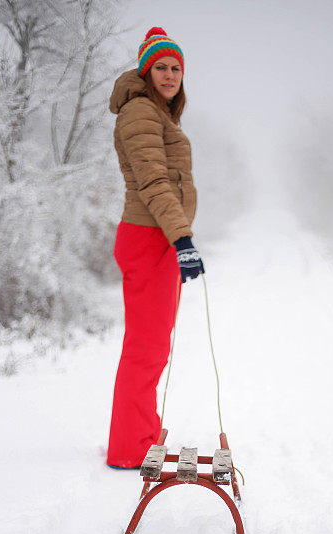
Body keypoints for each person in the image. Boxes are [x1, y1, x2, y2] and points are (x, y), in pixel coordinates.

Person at [106, 27, 204, 469]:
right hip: (151, 239)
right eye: (160, 67)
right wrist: (182, 238)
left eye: (176, 68)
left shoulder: (158, 113)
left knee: (153, 346)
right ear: (146, 71)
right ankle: (131, 447)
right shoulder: (141, 112)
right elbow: (153, 180)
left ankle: (139, 430)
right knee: (146, 349)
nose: (169, 75)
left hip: (159, 238)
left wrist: (179, 237)